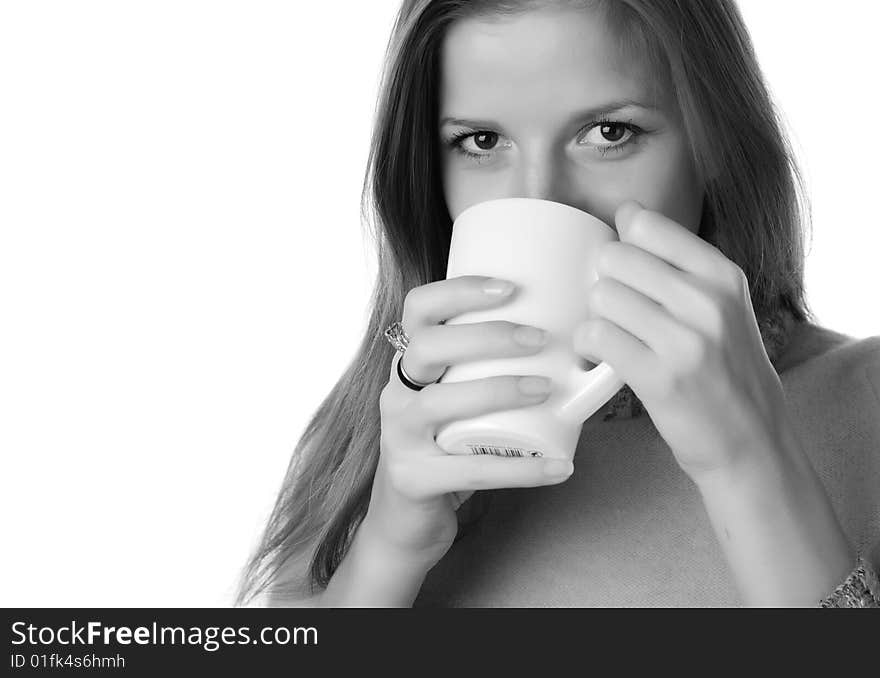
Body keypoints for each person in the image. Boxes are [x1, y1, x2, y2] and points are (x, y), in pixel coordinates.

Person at [235, 0, 880, 608]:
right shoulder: (365, 442)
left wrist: (749, 462)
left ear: (715, 143)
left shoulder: (866, 401)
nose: (541, 198)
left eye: (608, 132)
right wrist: (386, 553)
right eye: (482, 142)